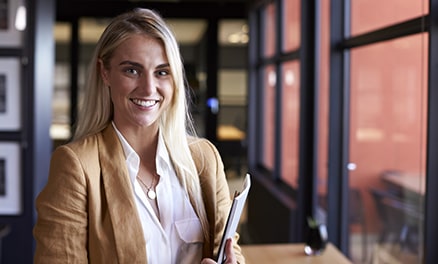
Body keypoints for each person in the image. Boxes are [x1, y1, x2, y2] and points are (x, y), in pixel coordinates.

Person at [33, 8, 245, 264]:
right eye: (132, 70)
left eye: (162, 72)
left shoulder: (204, 159)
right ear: (105, 72)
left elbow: (232, 249)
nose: (148, 88)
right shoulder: (77, 166)